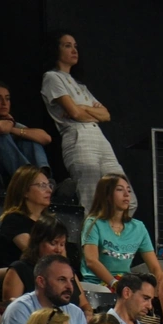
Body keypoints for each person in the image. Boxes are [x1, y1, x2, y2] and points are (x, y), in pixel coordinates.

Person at [40, 32, 135, 215]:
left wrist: (83, 108)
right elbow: (75, 113)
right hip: (78, 135)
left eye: (75, 46)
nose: (74, 50)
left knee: (126, 196)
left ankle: (116, 231)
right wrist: (84, 111)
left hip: (98, 136)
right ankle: (91, 234)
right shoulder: (52, 77)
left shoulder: (80, 85)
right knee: (91, 195)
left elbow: (106, 115)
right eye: (67, 45)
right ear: (55, 50)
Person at [79, 174, 160, 289]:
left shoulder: (138, 227)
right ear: (107, 195)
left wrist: (160, 289)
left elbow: (155, 268)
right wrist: (114, 283)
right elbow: (91, 261)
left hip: (124, 286)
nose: (127, 194)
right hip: (96, 285)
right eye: (120, 189)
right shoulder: (93, 223)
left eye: (128, 190)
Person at [2, 254, 86, 324]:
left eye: (71, 280)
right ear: (41, 281)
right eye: (62, 279)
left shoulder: (77, 313)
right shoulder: (20, 309)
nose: (69, 286)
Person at [1, 215, 72, 305]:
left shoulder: (68, 272)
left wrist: (87, 311)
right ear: (38, 242)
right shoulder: (20, 270)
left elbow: (84, 305)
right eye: (53, 243)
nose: (58, 250)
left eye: (62, 244)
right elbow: (11, 308)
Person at [0, 80, 51, 180]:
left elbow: (46, 138)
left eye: (7, 99)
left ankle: (43, 177)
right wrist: (9, 124)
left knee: (29, 138)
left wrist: (13, 129)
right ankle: (27, 178)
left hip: (11, 171)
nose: (4, 103)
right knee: (1, 136)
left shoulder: (12, 124)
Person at [0, 165, 53, 264]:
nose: (49, 190)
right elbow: (37, 255)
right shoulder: (14, 220)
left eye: (49, 185)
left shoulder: (50, 222)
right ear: (24, 191)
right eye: (42, 185)